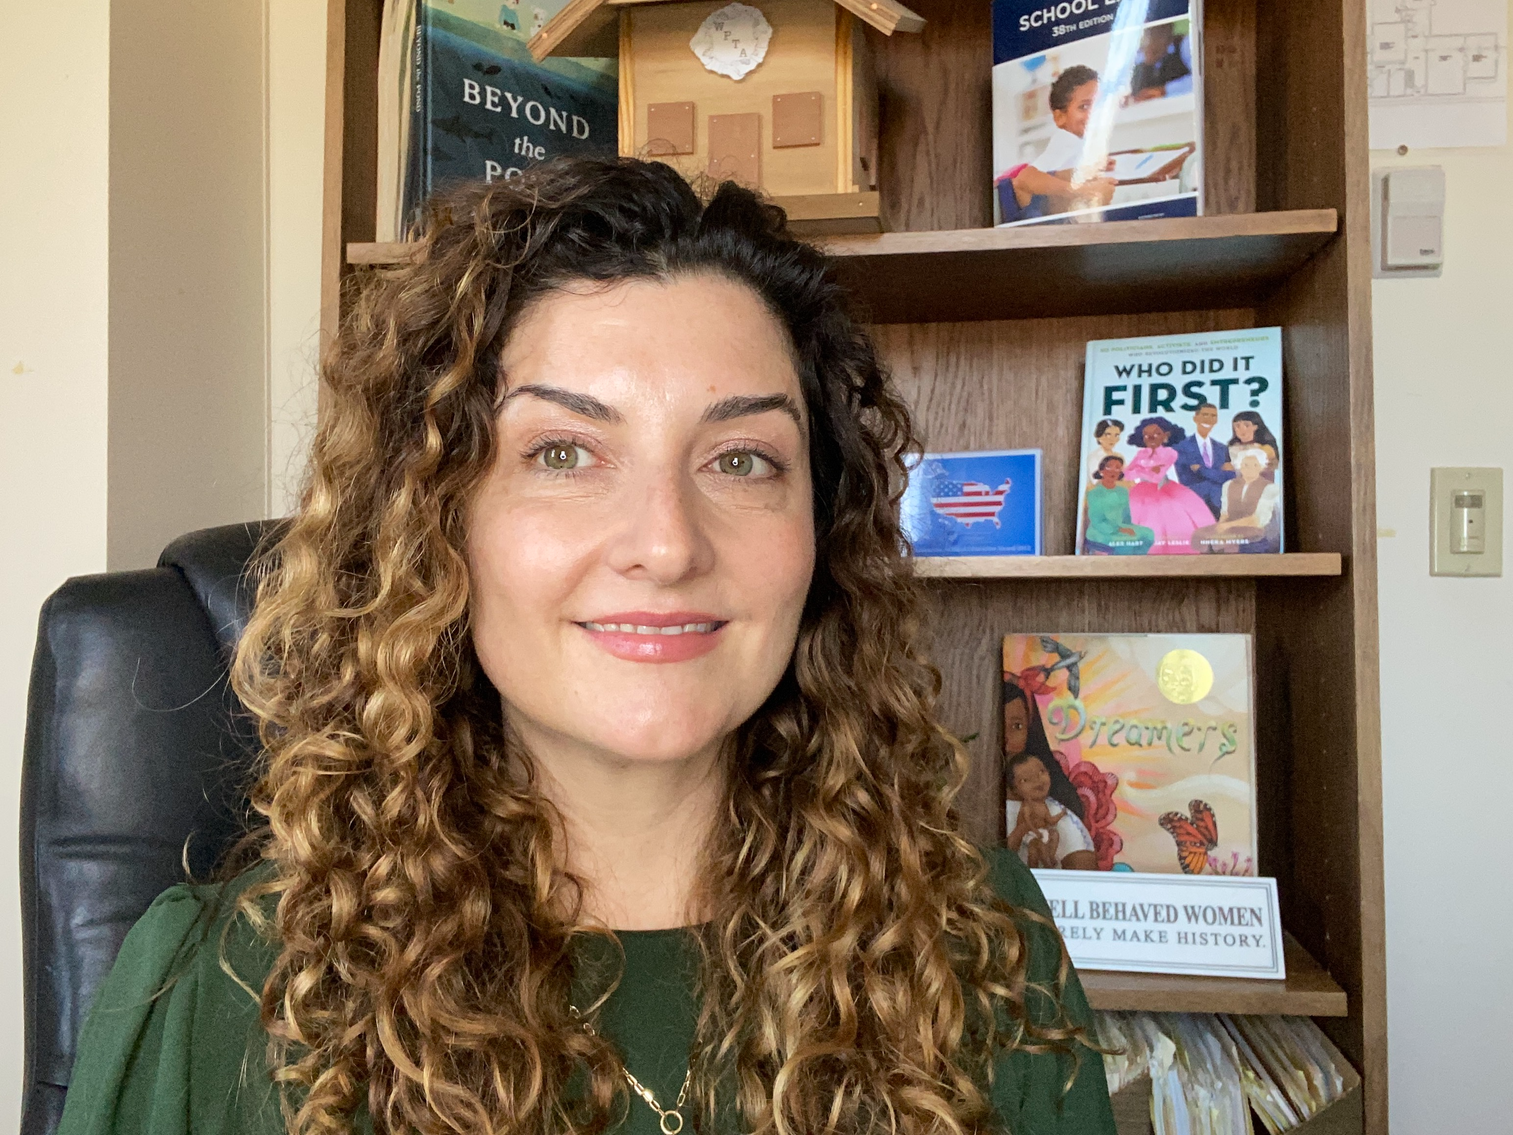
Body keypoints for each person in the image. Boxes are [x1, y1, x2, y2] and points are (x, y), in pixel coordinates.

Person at [57, 159, 1115, 1135]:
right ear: (437, 526)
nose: (665, 543)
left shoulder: (985, 949)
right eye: (563, 451)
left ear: (822, 534)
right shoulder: (225, 986)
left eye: (742, 459)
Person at [1002, 680, 1097, 871]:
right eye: (996, 726)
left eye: (1017, 727)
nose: (1005, 738)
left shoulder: (1055, 812)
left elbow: (1086, 886)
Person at [1008, 65, 1116, 216]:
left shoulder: (1077, 144)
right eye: (1084, 107)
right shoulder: (1064, 141)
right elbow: (1024, 179)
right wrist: (1085, 191)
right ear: (1060, 117)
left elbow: (1063, 170)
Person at [1124, 416, 1219, 555]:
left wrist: (1141, 470)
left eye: (1156, 434)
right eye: (1146, 435)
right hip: (1142, 491)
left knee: (1175, 514)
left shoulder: (1169, 452)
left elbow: (1157, 475)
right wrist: (1145, 471)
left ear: (1166, 435)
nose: (1151, 438)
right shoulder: (1141, 453)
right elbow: (1128, 473)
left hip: (1164, 488)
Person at [1191, 446, 1281, 553]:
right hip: (1229, 527)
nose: (1249, 468)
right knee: (1199, 534)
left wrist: (1227, 526)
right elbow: (1225, 513)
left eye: (1255, 465)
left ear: (1261, 467)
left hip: (1255, 530)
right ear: (1240, 466)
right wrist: (1220, 526)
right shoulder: (1228, 485)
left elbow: (1257, 520)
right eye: (1245, 465)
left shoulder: (1270, 488)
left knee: (1229, 541)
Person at [1083, 454, 1155, 555]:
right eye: (1109, 466)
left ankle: (1137, 562)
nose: (1113, 471)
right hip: (1100, 530)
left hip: (1122, 526)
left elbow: (1126, 515)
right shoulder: (1094, 493)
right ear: (1101, 471)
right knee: (1126, 541)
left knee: (1148, 534)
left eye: (1117, 468)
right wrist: (1120, 529)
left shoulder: (1123, 491)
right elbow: (1097, 520)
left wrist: (1129, 527)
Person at [1173, 402, 1234, 518]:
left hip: (1219, 506)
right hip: (1193, 503)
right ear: (1195, 418)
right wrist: (1218, 474)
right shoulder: (1181, 446)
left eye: (1213, 416)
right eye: (1205, 415)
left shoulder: (1222, 448)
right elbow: (1186, 476)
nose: (1209, 419)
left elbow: (1229, 476)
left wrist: (1201, 469)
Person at [1228, 411, 1279, 480]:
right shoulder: (1230, 449)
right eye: (1237, 426)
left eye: (1246, 425)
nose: (1242, 429)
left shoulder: (1265, 449)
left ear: (1255, 427)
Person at [1085, 417, 1126, 486]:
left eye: (1116, 435)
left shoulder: (1119, 456)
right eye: (1108, 434)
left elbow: (1127, 477)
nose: (1112, 439)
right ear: (1099, 436)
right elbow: (1096, 482)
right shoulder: (1094, 457)